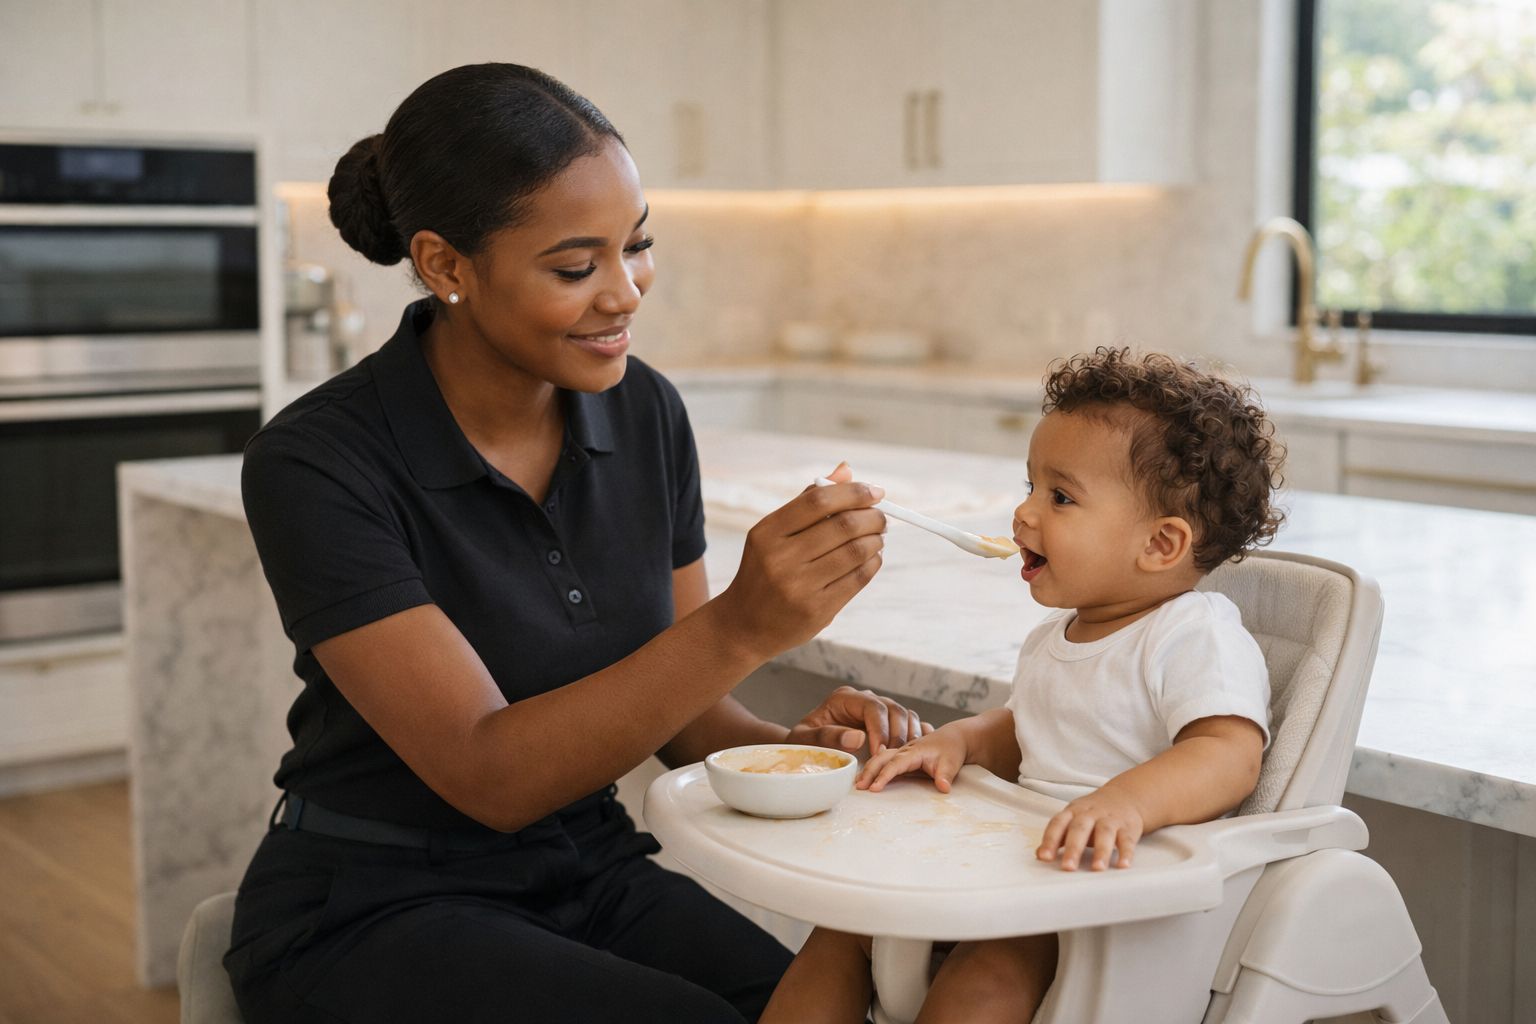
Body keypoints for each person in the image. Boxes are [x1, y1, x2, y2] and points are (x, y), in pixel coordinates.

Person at [225, 63, 934, 1024]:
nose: (626, 294)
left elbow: (684, 717)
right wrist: (743, 624)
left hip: (589, 866)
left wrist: (806, 752)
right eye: (575, 267)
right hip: (374, 900)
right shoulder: (316, 463)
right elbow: (490, 775)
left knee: (825, 1008)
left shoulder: (644, 412)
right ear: (444, 267)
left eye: (636, 246)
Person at [759, 347, 1286, 1024]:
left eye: (1059, 497)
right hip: (1018, 857)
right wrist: (959, 743)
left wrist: (1125, 804)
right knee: (847, 922)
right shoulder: (1059, 637)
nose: (1024, 514)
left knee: (991, 969)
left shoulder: (1193, 633)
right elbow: (1028, 731)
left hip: (1096, 887)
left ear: (1160, 545)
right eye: (1030, 487)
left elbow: (1229, 753)